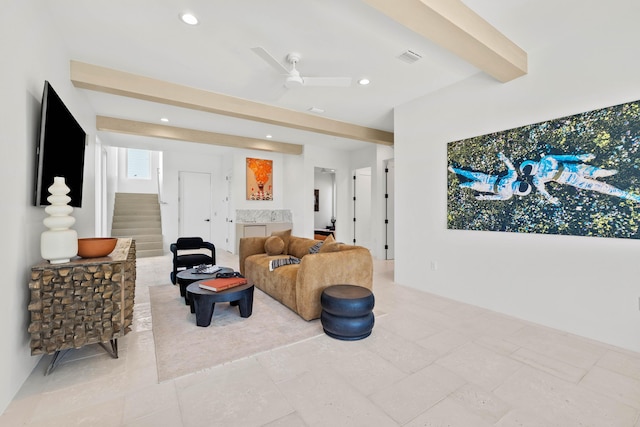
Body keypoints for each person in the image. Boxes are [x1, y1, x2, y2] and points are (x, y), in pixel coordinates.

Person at [519, 153, 640, 204]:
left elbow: (566, 157)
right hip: (573, 180)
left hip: (576, 168)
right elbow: (542, 190)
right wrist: (550, 198)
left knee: (603, 172)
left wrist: (582, 157)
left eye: (528, 168)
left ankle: (624, 169)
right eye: (527, 170)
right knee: (602, 187)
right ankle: (631, 196)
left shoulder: (547, 159)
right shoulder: (537, 179)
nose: (529, 169)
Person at [448, 152, 531, 200]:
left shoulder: (507, 195)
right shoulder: (513, 177)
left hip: (487, 188)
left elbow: (495, 197)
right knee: (470, 174)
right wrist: (504, 159)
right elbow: (511, 167)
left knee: (472, 184)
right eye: (523, 185)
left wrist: (483, 197)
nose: (520, 186)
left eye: (521, 188)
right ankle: (455, 170)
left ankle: (465, 185)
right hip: (489, 179)